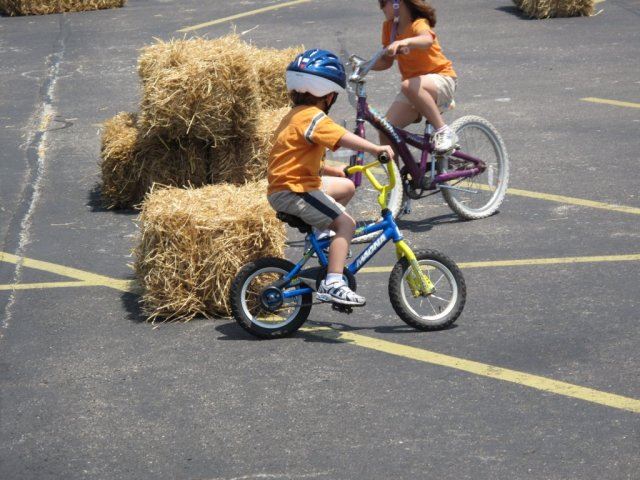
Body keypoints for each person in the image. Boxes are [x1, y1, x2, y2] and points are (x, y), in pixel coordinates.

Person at [267, 49, 394, 307]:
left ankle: (323, 239)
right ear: (328, 95)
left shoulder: (295, 116)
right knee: (346, 224)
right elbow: (341, 136)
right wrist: (375, 149)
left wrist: (337, 172)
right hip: (295, 190)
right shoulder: (314, 117)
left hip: (291, 184)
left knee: (346, 187)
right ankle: (333, 282)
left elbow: (299, 159)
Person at [373, 0, 458, 152]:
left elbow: (426, 40)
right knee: (386, 130)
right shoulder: (389, 28)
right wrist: (362, 67)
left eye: (384, 2)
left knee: (407, 85)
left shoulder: (418, 24)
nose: (381, 8)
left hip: (441, 79)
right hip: (413, 90)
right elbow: (386, 62)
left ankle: (444, 130)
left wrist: (404, 42)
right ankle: (396, 175)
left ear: (398, 3)